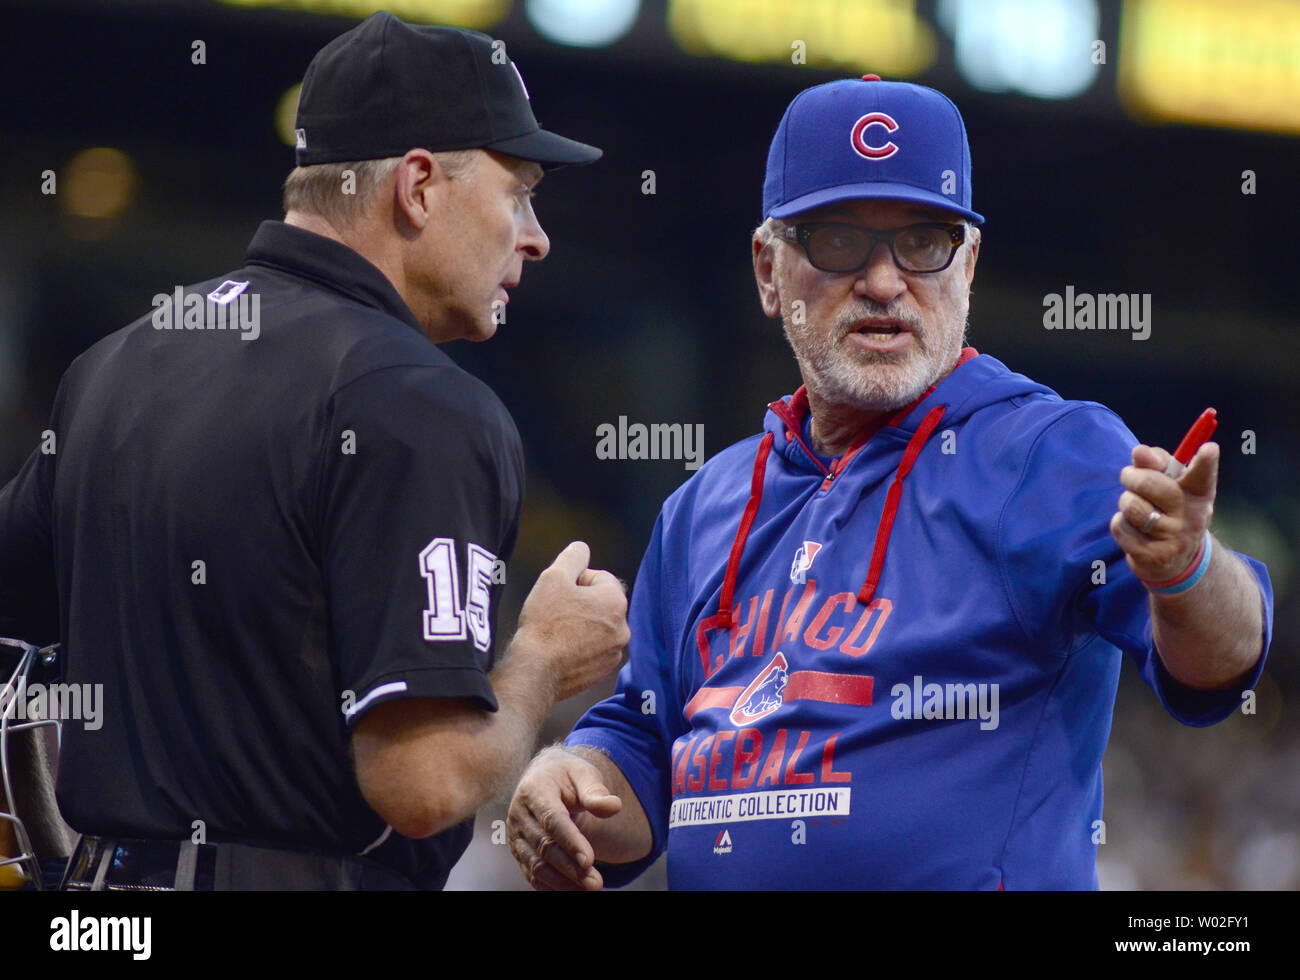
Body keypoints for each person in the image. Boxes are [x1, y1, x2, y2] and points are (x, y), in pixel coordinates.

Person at [506, 75, 1274, 890]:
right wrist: (570, 775)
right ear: (769, 270)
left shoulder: (1050, 452)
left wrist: (1186, 567)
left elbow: (1225, 662)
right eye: (839, 242)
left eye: (924, 242)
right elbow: (640, 757)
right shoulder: (704, 505)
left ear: (968, 264)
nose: (883, 282)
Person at [0, 11, 629, 890]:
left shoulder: (114, 363)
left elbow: (14, 633)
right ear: (417, 186)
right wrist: (543, 660)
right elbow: (423, 782)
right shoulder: (418, 402)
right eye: (518, 190)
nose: (535, 234)